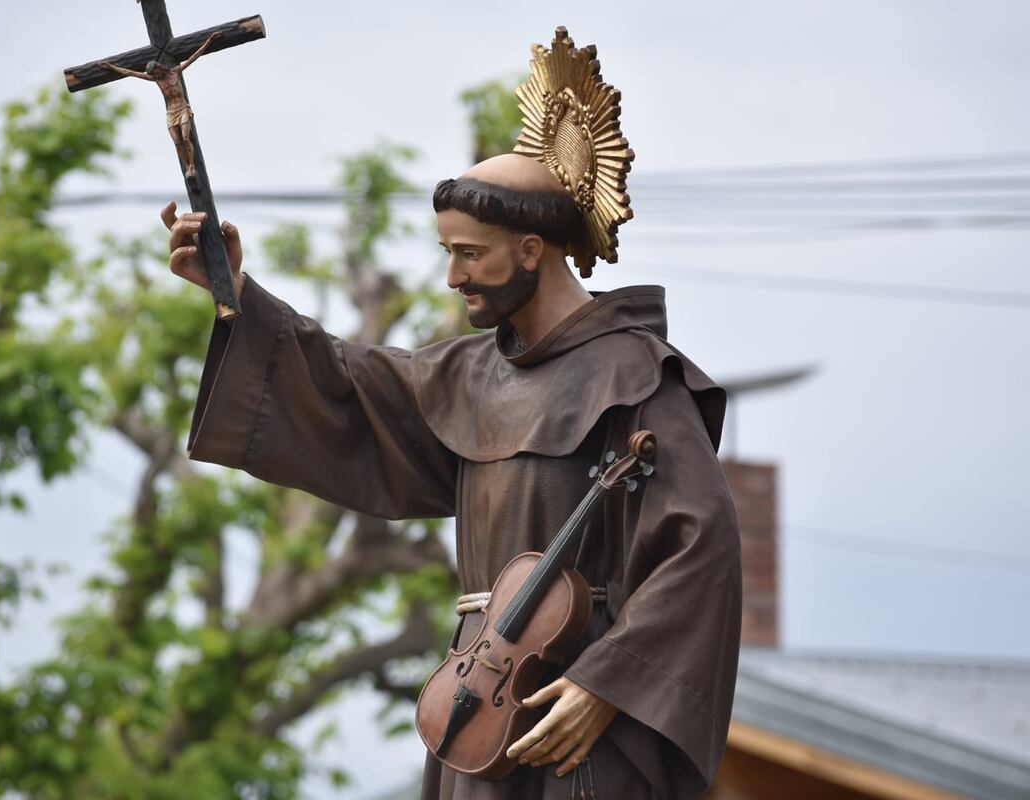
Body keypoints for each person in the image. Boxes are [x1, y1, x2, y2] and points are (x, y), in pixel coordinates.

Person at [165, 31, 742, 800]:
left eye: (470, 254)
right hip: (475, 704)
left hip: (571, 716)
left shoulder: (634, 376)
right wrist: (238, 294)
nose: (451, 276)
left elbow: (702, 550)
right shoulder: (466, 376)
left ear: (532, 249)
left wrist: (609, 683)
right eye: (448, 252)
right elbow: (343, 385)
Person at [99, 31, 219, 178]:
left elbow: (194, 56)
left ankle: (192, 165)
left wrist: (210, 40)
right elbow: (130, 73)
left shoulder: (175, 72)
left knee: (186, 138)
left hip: (182, 109)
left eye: (155, 73)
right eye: (152, 75)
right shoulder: (157, 80)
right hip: (171, 112)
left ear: (159, 68)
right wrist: (111, 67)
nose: (154, 76)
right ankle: (187, 166)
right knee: (176, 142)